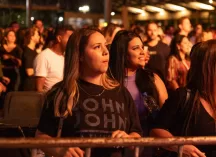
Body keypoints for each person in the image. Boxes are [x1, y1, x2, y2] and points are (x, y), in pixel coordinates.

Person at [35, 28, 142, 157]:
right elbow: (41, 136)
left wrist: (129, 139)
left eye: (105, 46)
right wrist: (59, 149)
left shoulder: (121, 92)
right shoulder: (61, 92)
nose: (105, 52)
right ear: (80, 55)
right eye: (97, 47)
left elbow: (136, 134)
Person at [109, 30, 167, 157]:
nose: (142, 52)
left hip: (149, 144)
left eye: (142, 47)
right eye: (136, 48)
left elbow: (166, 115)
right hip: (118, 145)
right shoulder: (108, 80)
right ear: (122, 53)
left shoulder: (153, 78)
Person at [34, 26, 73, 92]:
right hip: (50, 100)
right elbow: (39, 89)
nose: (72, 41)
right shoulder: (44, 56)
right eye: (70, 38)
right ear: (59, 38)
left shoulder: (67, 56)